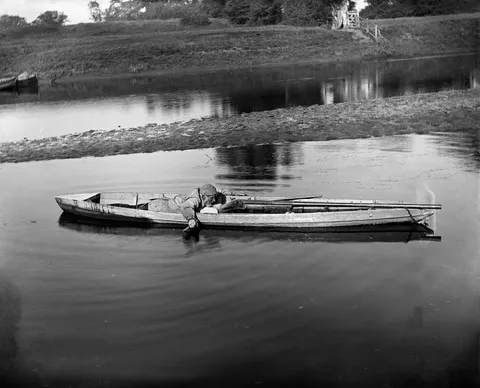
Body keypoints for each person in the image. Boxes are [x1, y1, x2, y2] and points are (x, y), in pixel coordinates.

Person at [147, 184, 244, 229]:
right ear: (203, 196)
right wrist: (191, 219)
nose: (214, 200)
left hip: (172, 200)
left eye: (214, 198)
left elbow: (220, 192)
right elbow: (185, 207)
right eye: (211, 198)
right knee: (144, 207)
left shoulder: (208, 192)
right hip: (159, 207)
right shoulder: (194, 200)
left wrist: (234, 194)